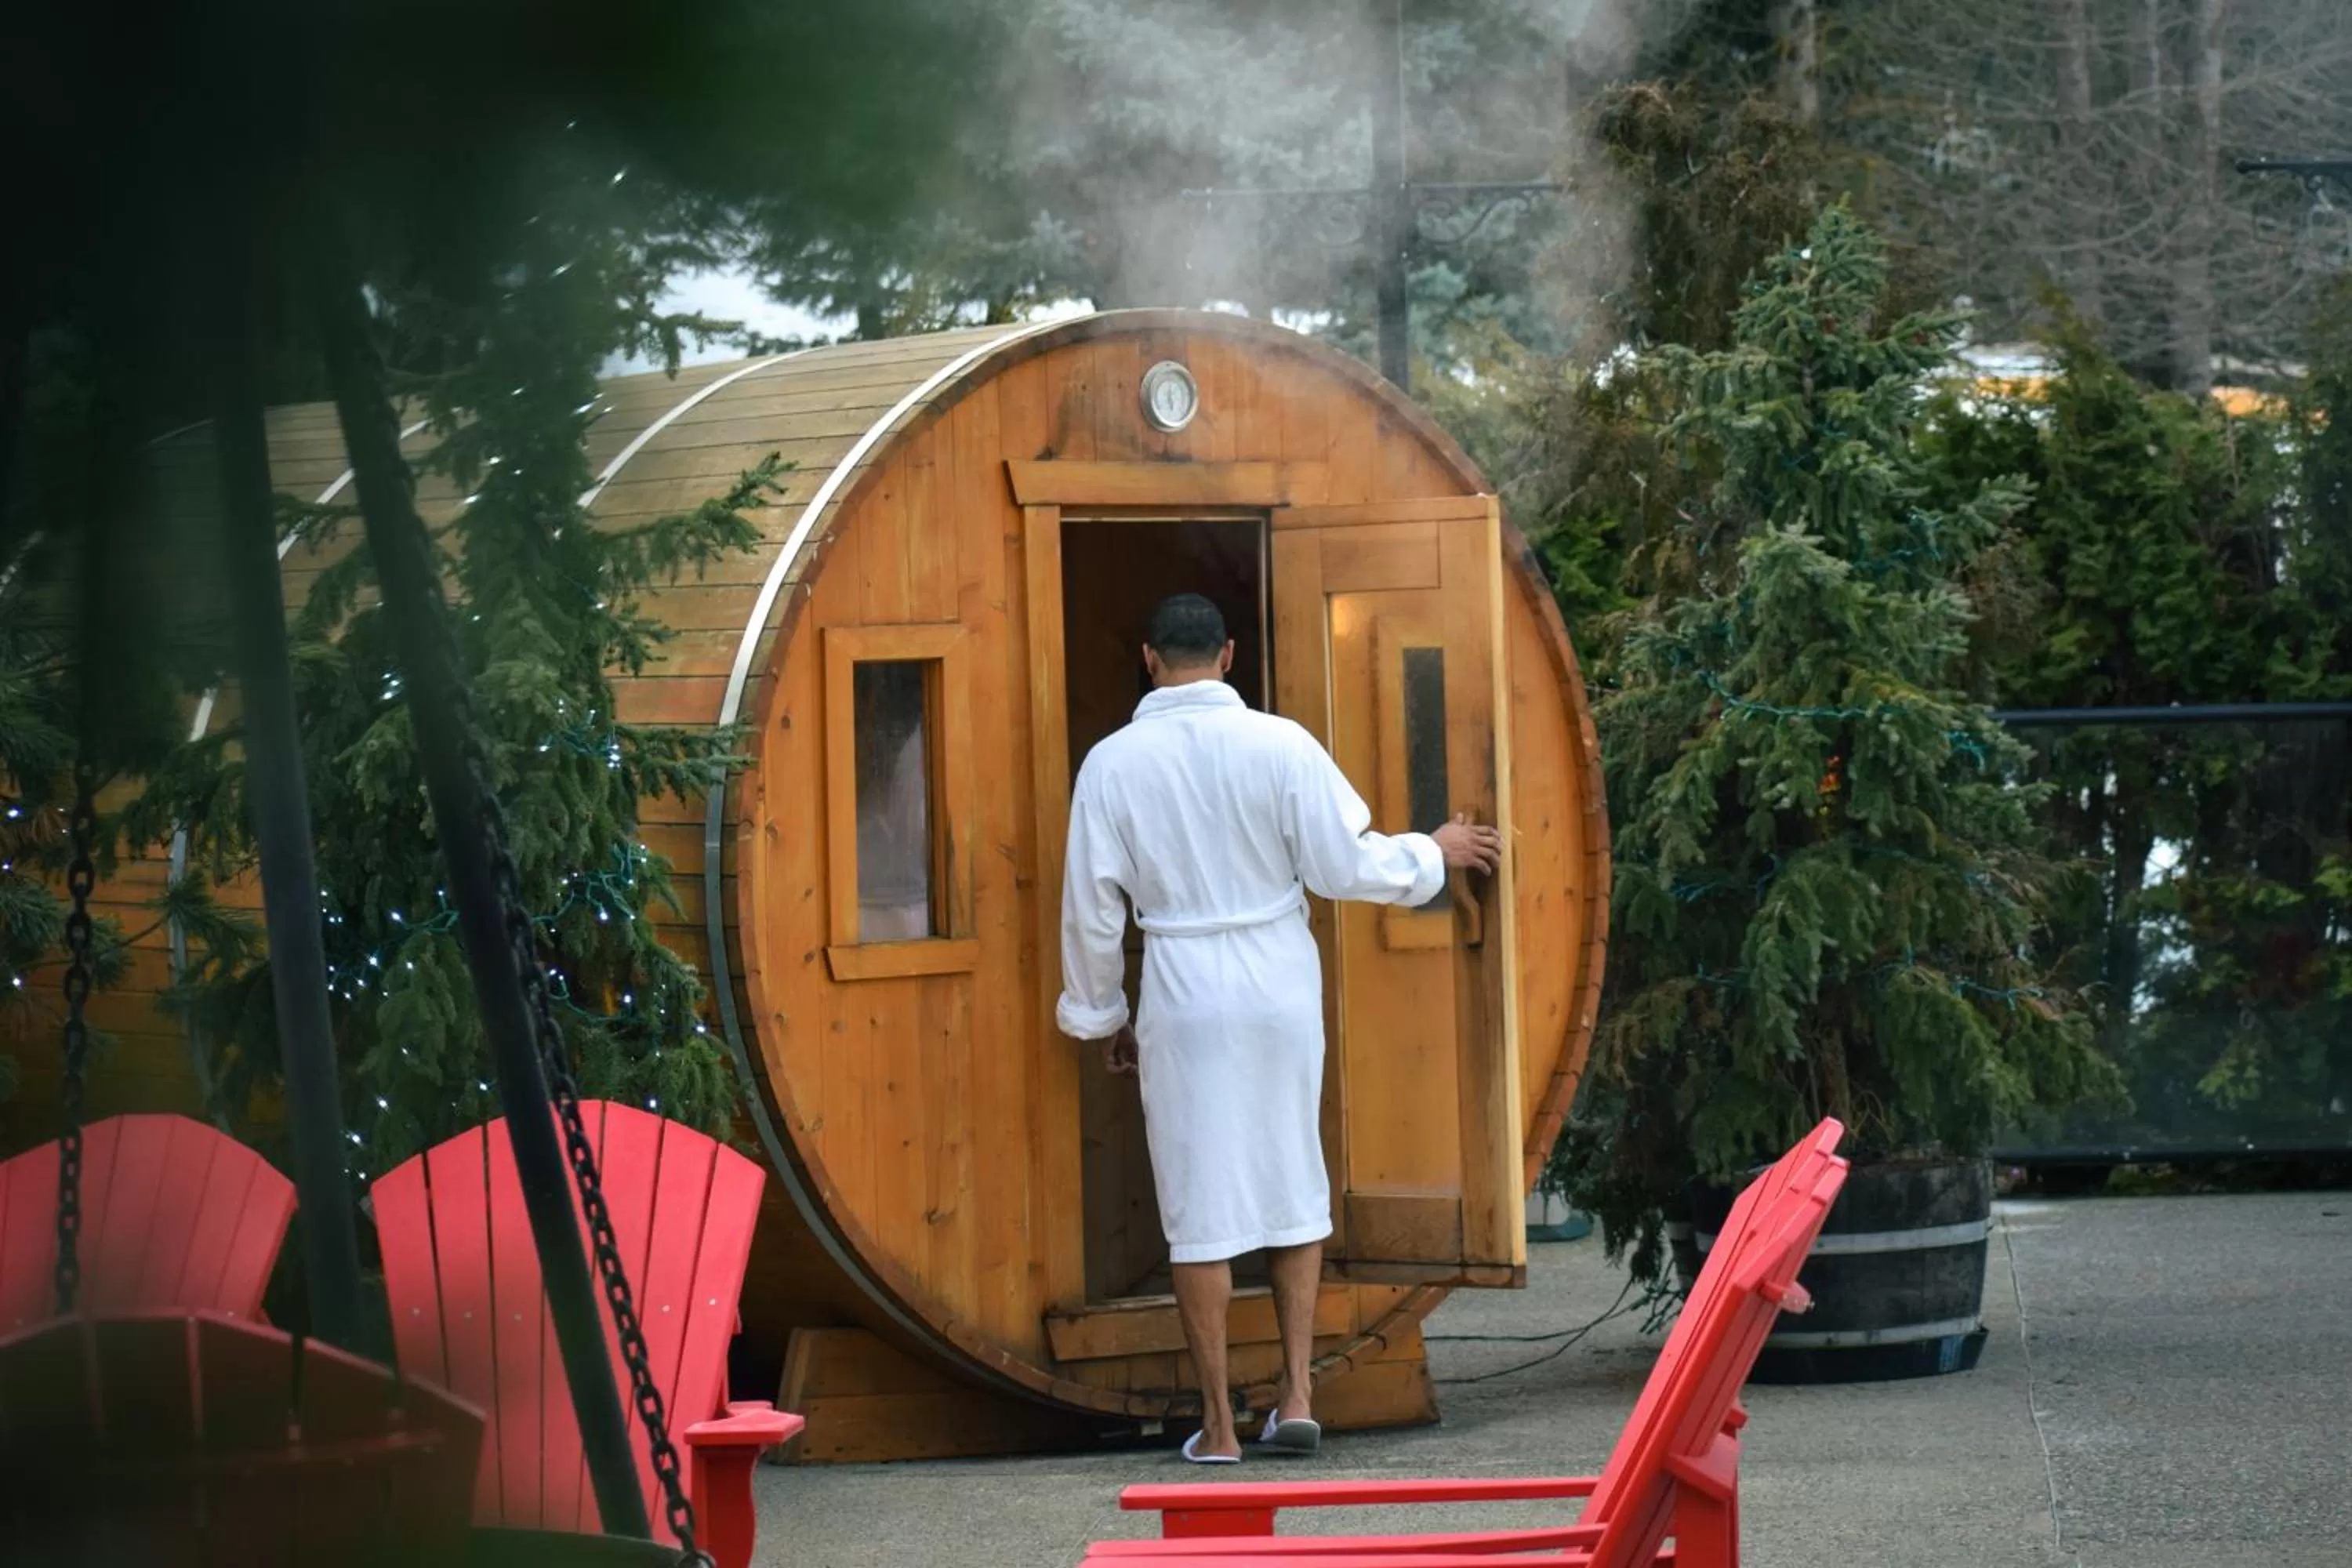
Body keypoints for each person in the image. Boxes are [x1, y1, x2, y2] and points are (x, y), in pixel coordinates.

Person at [1055, 593, 1502, 1464]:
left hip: (1182, 985)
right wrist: (1429, 850)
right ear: (1227, 654)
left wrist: (1105, 1011)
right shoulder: (1282, 742)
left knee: (1200, 1204)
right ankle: (1298, 1394)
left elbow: (1090, 910)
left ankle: (1218, 1425)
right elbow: (1341, 863)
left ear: (1150, 658)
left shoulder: (1111, 764)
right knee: (1293, 1173)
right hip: (1276, 980)